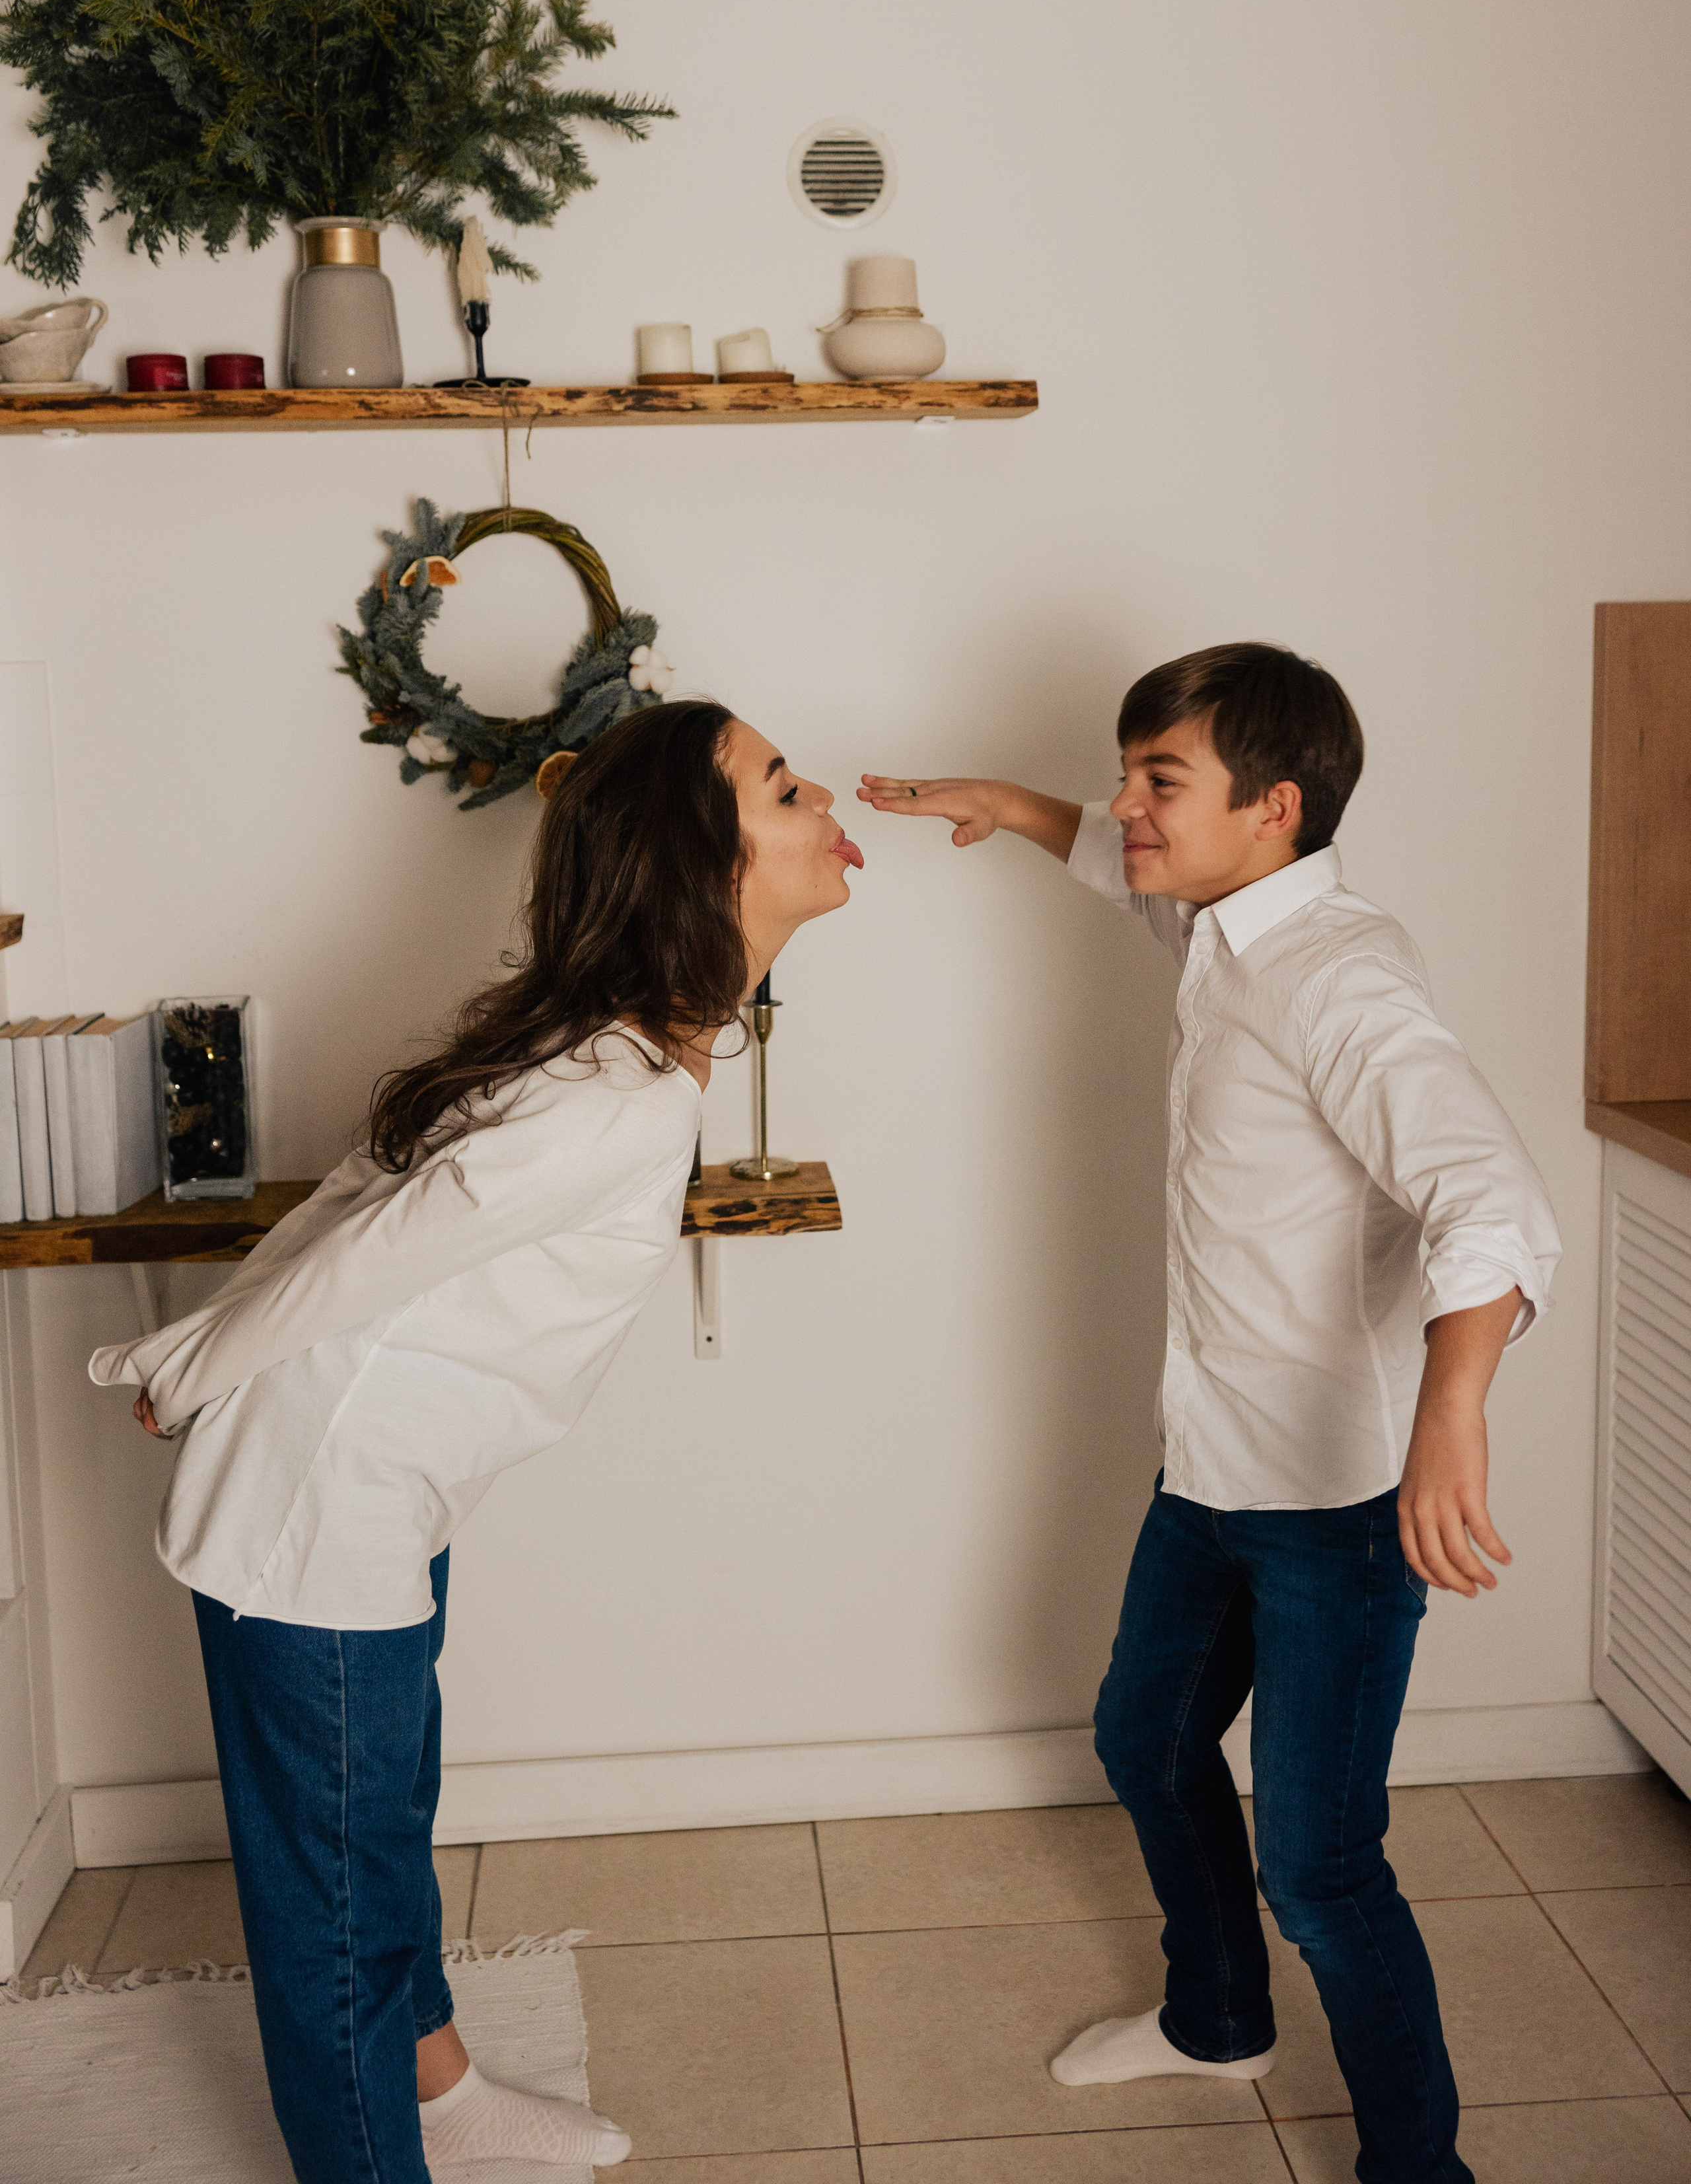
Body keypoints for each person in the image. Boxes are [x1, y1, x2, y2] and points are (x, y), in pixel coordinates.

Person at [92, 700, 864, 2184]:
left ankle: (440, 2092)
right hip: (316, 1513)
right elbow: (375, 1245)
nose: (820, 793)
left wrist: (200, 1348)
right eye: (781, 787)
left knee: (384, 1822)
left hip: (392, 1499)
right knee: (332, 1905)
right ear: (701, 863)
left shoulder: (610, 1052)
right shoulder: (619, 1098)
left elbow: (360, 1192)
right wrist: (192, 1361)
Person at [859, 641, 1560, 2184]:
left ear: (1273, 806)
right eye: (1125, 776)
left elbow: (1491, 1202)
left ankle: (1417, 2170)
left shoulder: (1340, 980)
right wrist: (1010, 804)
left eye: (1155, 781)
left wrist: (1452, 1410)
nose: (1124, 806)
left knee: (1319, 1866)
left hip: (1336, 1503)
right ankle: (1215, 2021)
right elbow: (1118, 873)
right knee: (1147, 1739)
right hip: (1210, 1467)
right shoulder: (1221, 924)